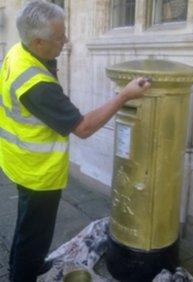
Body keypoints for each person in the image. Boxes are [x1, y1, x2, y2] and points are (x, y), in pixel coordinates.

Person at [0, 1, 151, 281]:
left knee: (27, 226)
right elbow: (82, 128)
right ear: (37, 41)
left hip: (17, 159)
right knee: (34, 232)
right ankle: (22, 274)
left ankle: (30, 266)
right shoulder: (36, 86)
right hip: (37, 171)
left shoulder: (17, 51)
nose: (66, 40)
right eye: (59, 37)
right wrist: (124, 96)